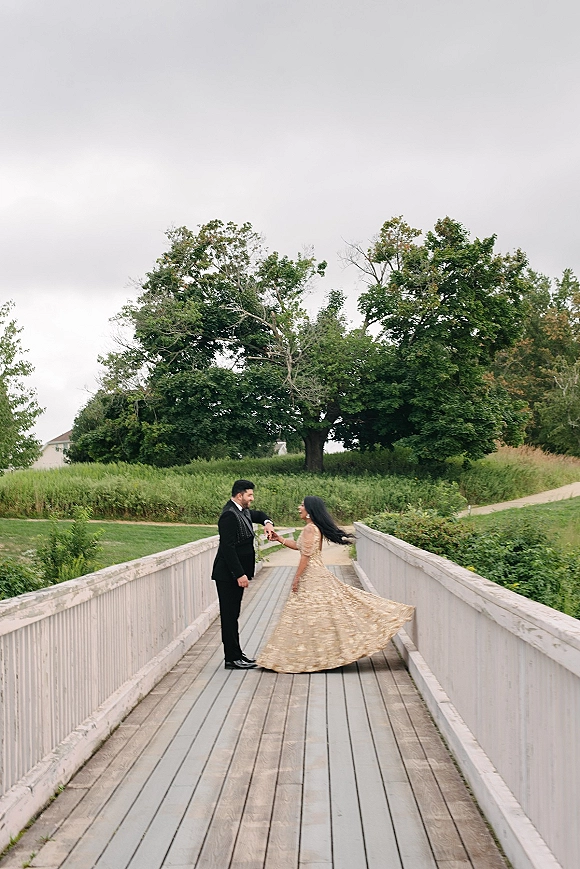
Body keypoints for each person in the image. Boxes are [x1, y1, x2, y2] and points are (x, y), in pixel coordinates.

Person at [257, 496, 414, 673]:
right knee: (319, 614)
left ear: (309, 510)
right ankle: (316, 655)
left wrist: (297, 578)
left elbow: (306, 556)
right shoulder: (312, 528)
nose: (299, 507)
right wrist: (280, 539)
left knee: (307, 614)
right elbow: (300, 547)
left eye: (302, 505)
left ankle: (310, 657)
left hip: (312, 577)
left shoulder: (310, 529)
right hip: (316, 573)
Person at [212, 479, 274, 670]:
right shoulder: (229, 515)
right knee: (229, 617)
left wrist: (267, 523)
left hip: (234, 574)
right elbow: (227, 548)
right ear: (240, 495)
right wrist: (239, 574)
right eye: (250, 495)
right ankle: (231, 658)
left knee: (234, 614)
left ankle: (237, 654)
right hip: (227, 575)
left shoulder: (242, 510)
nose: (252, 499)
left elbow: (259, 514)